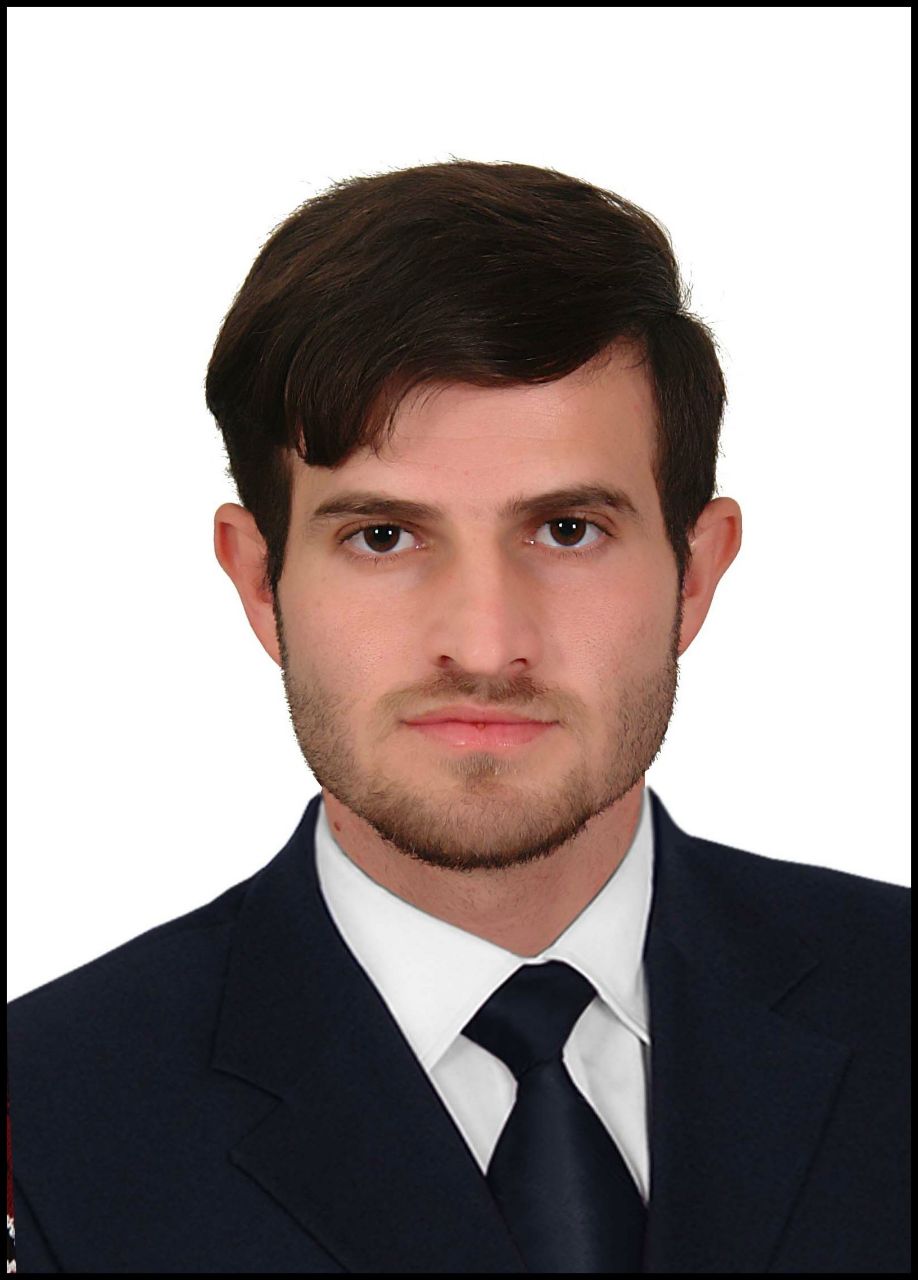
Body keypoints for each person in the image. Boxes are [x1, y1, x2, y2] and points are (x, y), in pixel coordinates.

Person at [7, 159, 909, 1275]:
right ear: (258, 582)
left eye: (568, 530)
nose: (484, 647)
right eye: (383, 536)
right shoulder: (45, 1120)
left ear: (696, 573)